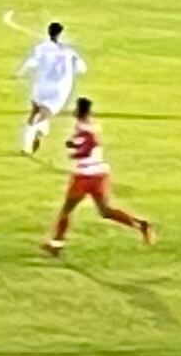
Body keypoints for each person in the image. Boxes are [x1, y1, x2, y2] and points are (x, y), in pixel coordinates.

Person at [42, 97, 153, 253]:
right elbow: (87, 144)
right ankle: (140, 224)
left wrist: (76, 152)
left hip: (85, 175)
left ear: (79, 111)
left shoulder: (83, 128)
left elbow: (87, 146)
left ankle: (56, 245)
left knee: (67, 210)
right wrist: (73, 144)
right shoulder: (92, 125)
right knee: (105, 211)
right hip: (99, 174)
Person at [15, 19, 82, 155]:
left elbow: (31, 62)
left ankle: (30, 141)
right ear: (61, 33)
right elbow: (82, 68)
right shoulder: (69, 51)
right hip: (60, 88)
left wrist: (18, 73)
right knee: (44, 115)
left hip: (41, 85)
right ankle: (36, 136)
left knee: (35, 112)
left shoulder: (41, 48)